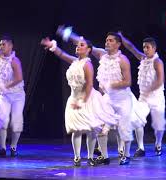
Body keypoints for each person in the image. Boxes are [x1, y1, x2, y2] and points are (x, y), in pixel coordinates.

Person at [56, 26, 135, 165]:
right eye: (106, 40)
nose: (107, 42)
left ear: (118, 44)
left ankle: (125, 154)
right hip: (107, 98)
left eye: (111, 41)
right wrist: (67, 33)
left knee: (123, 127)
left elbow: (128, 82)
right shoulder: (101, 54)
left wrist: (111, 85)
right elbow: (84, 42)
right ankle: (104, 156)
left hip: (122, 98)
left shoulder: (123, 60)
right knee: (100, 126)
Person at [40, 37, 118, 166]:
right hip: (74, 98)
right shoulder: (75, 62)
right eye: (78, 45)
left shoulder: (87, 64)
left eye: (82, 45)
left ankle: (90, 157)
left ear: (88, 50)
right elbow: (61, 54)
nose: (78, 46)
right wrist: (52, 45)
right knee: (76, 129)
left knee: (91, 129)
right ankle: (77, 157)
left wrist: (82, 102)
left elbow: (88, 85)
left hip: (87, 99)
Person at [119, 32, 166, 156]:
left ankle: (158, 144)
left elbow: (160, 80)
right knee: (137, 120)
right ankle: (141, 148)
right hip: (143, 98)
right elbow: (131, 48)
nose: (145, 50)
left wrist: (150, 89)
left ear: (154, 48)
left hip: (157, 97)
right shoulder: (143, 59)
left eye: (147, 47)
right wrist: (121, 37)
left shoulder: (158, 62)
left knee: (159, 125)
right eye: (144, 47)